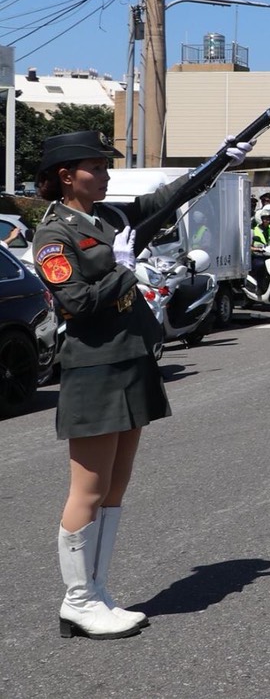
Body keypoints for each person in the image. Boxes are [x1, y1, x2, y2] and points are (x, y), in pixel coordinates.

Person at [34, 130, 247, 638]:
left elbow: (167, 199)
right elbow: (77, 302)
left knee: (115, 484)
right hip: (95, 366)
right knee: (88, 489)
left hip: (130, 359)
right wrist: (122, 270)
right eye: (96, 167)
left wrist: (218, 161)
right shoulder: (54, 236)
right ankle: (77, 600)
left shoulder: (108, 218)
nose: (106, 174)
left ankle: (98, 589)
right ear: (66, 176)